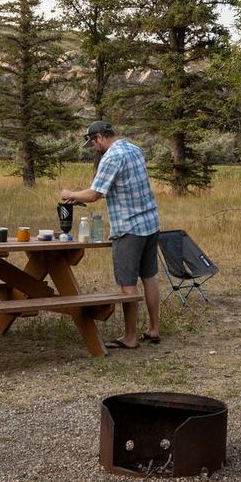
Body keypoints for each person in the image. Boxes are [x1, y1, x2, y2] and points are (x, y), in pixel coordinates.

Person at [60, 120, 161, 349]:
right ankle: (153, 329)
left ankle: (130, 337)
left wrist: (69, 193)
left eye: (93, 143)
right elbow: (119, 186)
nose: (94, 148)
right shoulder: (133, 149)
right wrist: (79, 197)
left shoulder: (112, 157)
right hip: (151, 223)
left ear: (99, 138)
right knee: (149, 276)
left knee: (128, 282)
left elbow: (95, 194)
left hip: (129, 227)